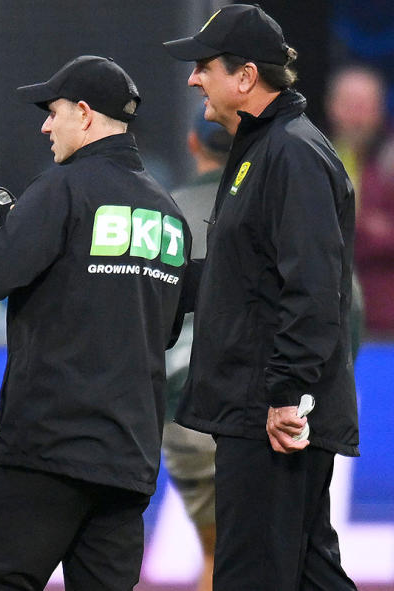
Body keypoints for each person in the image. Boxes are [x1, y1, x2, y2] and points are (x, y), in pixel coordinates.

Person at [0, 55, 190, 591]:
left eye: (53, 111)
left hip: (47, 451)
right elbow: (166, 326)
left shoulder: (63, 188)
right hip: (127, 461)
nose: (44, 125)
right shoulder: (169, 214)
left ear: (84, 115)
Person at [164, 4, 359, 589]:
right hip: (259, 407)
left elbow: (315, 288)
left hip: (270, 417)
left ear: (245, 76)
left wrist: (286, 396)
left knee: (254, 575)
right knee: (308, 574)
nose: (193, 78)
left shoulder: (290, 152)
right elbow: (247, 279)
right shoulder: (264, 148)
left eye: (204, 66)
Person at [161, 113, 231, 591]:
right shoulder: (275, 207)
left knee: (215, 551)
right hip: (258, 408)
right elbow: (343, 299)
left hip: (179, 408)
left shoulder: (165, 214)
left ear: (192, 143)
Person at [326, 64, 394, 342]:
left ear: (379, 110)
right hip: (330, 323)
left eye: (365, 106)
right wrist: (370, 223)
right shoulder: (318, 158)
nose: (357, 117)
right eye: (350, 106)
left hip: (390, 325)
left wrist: (347, 224)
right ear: (332, 107)